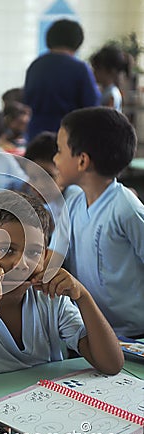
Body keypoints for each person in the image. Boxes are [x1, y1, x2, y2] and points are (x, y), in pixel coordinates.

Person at [0, 191, 124, 396]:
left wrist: (83, 297)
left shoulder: (52, 300)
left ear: (45, 257)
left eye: (34, 252)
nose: (22, 264)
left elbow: (111, 364)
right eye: (7, 250)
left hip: (49, 407)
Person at [52, 106, 144, 338]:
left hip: (136, 334)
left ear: (82, 161)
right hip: (93, 330)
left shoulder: (126, 208)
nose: (55, 159)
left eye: (60, 151)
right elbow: (52, 256)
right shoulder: (72, 202)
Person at [24, 19, 101, 141]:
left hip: (36, 134)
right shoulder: (79, 68)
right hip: (67, 136)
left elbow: (27, 100)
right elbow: (92, 106)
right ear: (77, 42)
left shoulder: (35, 66)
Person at [90, 45, 125, 111]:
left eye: (97, 69)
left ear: (111, 71)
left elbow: (106, 119)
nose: (93, 72)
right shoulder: (106, 91)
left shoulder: (111, 95)